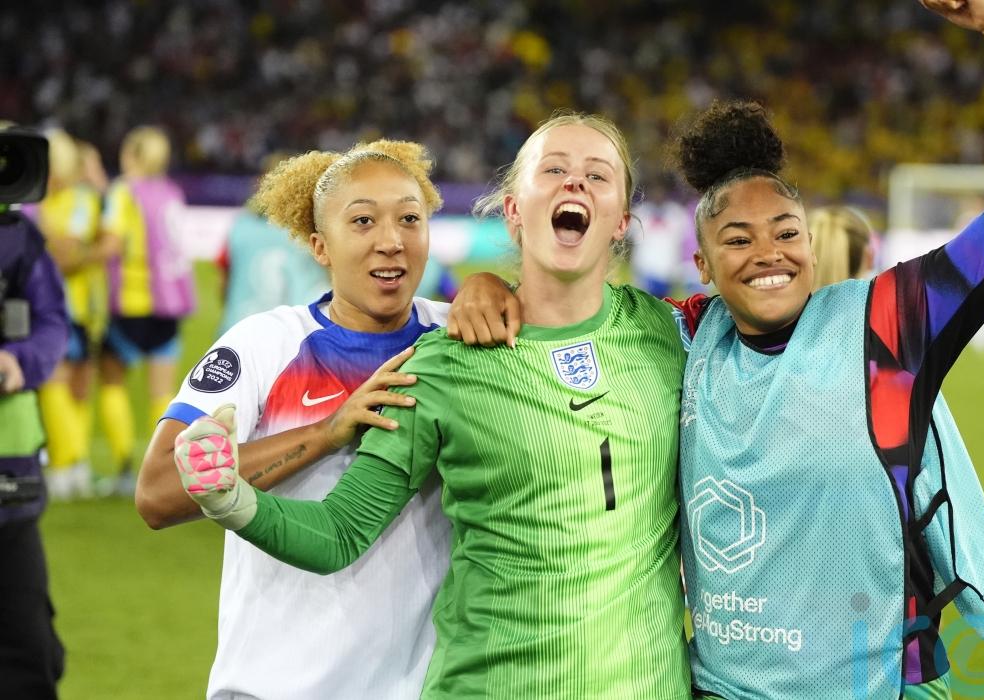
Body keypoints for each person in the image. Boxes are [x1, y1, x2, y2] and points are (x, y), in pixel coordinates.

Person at [449, 1, 984, 697]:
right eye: (738, 239)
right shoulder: (678, 335)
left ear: (810, 243)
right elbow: (565, 308)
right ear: (704, 266)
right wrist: (489, 286)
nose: (768, 253)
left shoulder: (890, 324)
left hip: (885, 684)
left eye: (785, 231)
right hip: (725, 687)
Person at [173, 114, 693, 698]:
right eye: (552, 170)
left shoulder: (669, 334)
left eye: (597, 175)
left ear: (622, 219)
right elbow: (340, 530)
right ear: (512, 210)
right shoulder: (441, 361)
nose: (575, 182)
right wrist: (232, 499)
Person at [134, 140, 455, 698]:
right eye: (363, 221)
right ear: (319, 247)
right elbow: (158, 493)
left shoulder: (457, 341)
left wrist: (491, 289)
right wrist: (326, 434)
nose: (391, 240)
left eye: (410, 218)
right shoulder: (265, 345)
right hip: (272, 685)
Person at [0, 124, 70, 699]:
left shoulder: (20, 239)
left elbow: (51, 323)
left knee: (30, 649)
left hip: (10, 470)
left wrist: (18, 362)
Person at [99, 126, 194, 494]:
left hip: (134, 300)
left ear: (132, 155)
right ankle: (165, 470)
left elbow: (112, 243)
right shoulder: (171, 191)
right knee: (162, 391)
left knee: (111, 379)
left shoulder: (125, 192)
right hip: (170, 303)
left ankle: (126, 469)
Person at [30, 129, 112, 500]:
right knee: (67, 385)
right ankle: (73, 464)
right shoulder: (54, 201)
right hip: (65, 305)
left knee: (67, 385)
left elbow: (67, 254)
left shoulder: (76, 200)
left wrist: (42, 233)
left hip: (76, 307)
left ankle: (67, 466)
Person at [215, 156, 330, 336]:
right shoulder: (308, 232)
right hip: (291, 335)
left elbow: (223, 282)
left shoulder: (241, 225)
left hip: (239, 328)